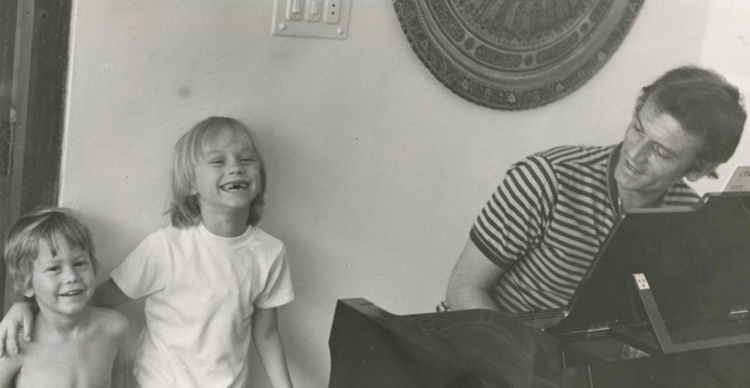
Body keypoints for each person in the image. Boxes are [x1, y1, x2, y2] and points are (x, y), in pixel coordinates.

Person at [0, 117, 296, 388]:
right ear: (190, 183)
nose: (235, 167)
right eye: (218, 161)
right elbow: (93, 297)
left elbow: (267, 333)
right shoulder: (166, 247)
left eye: (246, 159)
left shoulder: (269, 252)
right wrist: (25, 306)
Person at [445, 66, 747, 314]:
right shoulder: (546, 179)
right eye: (638, 129)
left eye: (661, 151)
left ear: (698, 170)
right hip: (490, 351)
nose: (634, 154)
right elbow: (463, 290)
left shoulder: (690, 215)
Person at [0, 207, 129, 387]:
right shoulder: (15, 342)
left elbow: (119, 381)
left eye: (79, 263)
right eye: (54, 268)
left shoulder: (114, 327)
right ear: (27, 284)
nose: (72, 276)